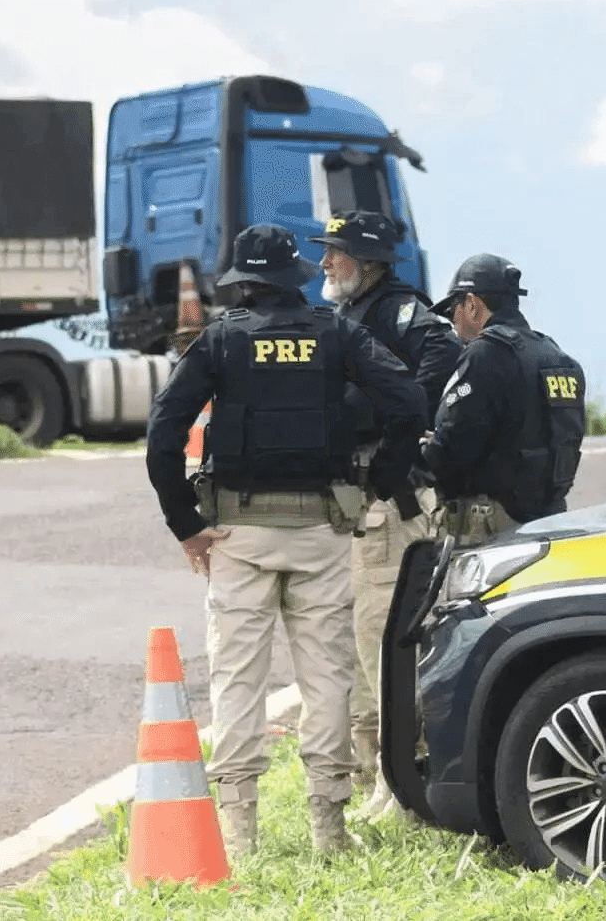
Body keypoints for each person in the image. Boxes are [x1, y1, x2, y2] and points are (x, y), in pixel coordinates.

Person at [145, 223, 426, 858]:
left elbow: (163, 435)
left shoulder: (219, 341)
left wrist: (186, 525)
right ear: (295, 278)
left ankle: (240, 837)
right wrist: (376, 485)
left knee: (237, 677)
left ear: (243, 283)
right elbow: (409, 401)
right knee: (327, 676)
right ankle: (329, 830)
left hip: (238, 535)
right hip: (323, 532)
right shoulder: (337, 333)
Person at [313, 210, 461, 821]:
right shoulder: (352, 315)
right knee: (356, 642)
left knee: (385, 643)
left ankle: (407, 780)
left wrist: (393, 429)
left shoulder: (402, 313)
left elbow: (438, 363)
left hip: (389, 509)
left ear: (368, 261)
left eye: (337, 254)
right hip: (357, 506)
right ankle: (380, 776)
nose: (325, 264)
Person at [423, 254, 586, 542]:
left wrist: (428, 449)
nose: (453, 325)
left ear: (472, 305)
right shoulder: (558, 358)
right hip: (551, 523)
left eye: (453, 312)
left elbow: (452, 444)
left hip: (491, 529)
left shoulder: (484, 353)